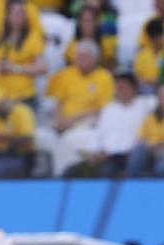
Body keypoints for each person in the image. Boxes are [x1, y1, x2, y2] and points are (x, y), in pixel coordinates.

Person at [45, 39, 115, 174]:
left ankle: (65, 177)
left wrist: (75, 119)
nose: (79, 60)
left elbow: (103, 110)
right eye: (78, 57)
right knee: (42, 137)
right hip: (62, 123)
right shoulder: (65, 75)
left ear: (95, 59)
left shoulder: (104, 78)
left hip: (87, 123)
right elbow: (57, 102)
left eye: (84, 57)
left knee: (70, 140)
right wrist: (60, 121)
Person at [66, 73, 150, 177]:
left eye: (124, 88)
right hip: (107, 156)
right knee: (70, 171)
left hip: (130, 156)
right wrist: (95, 152)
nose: (121, 92)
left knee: (107, 171)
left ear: (134, 88)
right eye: (119, 88)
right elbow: (99, 134)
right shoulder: (109, 109)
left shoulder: (144, 108)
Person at [0, 0, 47, 108]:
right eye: (16, 13)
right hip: (0, 96)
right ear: (7, 16)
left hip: (23, 97)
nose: (20, 16)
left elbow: (42, 67)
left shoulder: (33, 38)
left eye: (22, 13)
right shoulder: (1, 39)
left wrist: (15, 68)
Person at [126, 81, 164, 177]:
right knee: (138, 150)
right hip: (151, 151)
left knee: (162, 166)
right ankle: (131, 183)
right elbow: (140, 138)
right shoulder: (151, 117)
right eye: (161, 95)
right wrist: (152, 146)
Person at [65, 5, 117, 69]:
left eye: (90, 20)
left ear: (97, 22)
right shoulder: (72, 46)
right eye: (84, 21)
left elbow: (111, 69)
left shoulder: (108, 44)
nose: (87, 25)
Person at [135, 18, 164, 92]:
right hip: (145, 89)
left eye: (158, 36)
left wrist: (156, 81)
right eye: (153, 37)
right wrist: (150, 81)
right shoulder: (142, 54)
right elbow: (137, 77)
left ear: (163, 35)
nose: (156, 40)